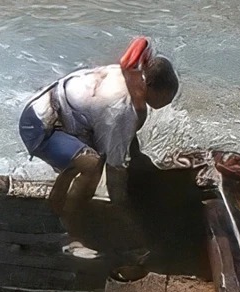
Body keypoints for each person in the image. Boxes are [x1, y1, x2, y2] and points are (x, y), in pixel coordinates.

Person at [17, 37, 179, 252]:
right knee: (92, 165)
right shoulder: (122, 110)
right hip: (40, 125)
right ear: (151, 87)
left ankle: (60, 203)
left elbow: (143, 42)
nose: (169, 100)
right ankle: (71, 233)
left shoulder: (131, 72)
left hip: (65, 112)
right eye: (167, 95)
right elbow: (114, 168)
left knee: (118, 150)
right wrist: (124, 206)